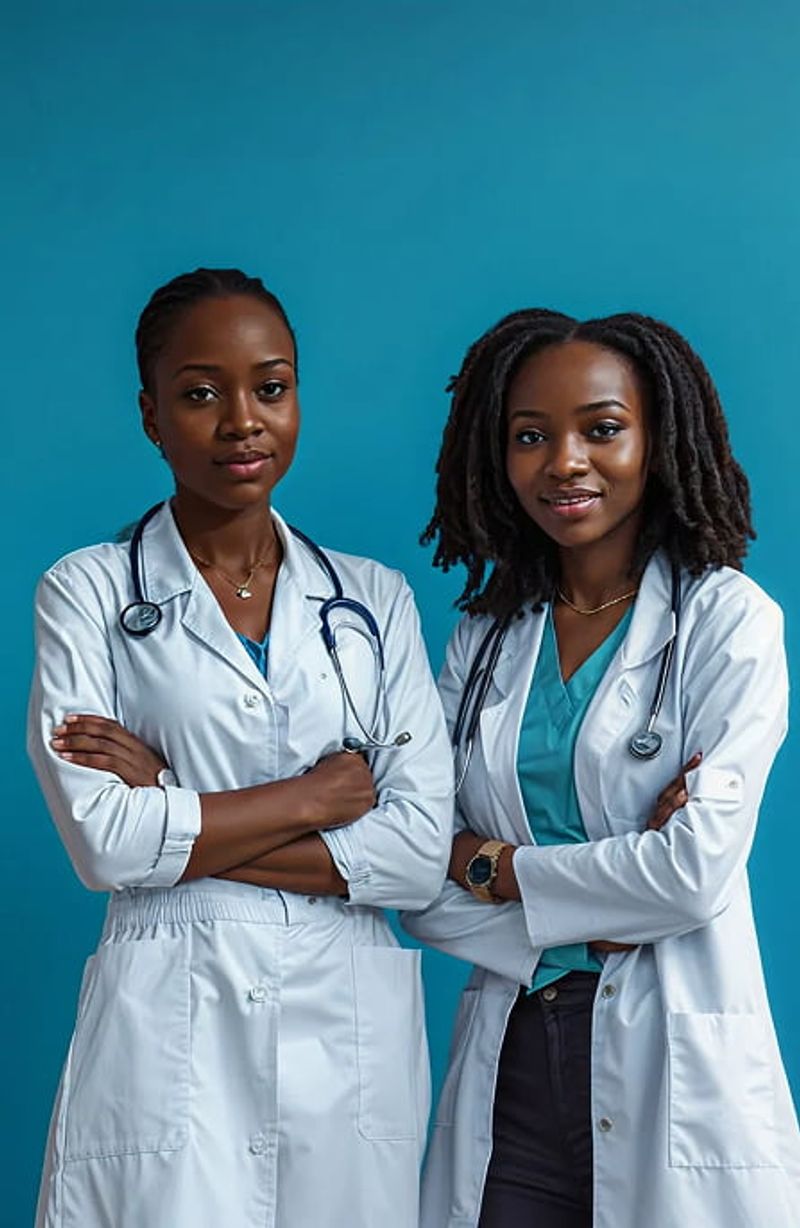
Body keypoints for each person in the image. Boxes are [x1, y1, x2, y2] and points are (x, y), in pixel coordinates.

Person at [28, 267, 453, 1228]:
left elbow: (418, 855)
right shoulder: (88, 592)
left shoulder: (374, 601)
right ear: (150, 415)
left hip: (342, 1040)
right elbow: (103, 844)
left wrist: (171, 801)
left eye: (271, 387)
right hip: (169, 1023)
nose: (242, 422)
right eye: (199, 393)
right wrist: (313, 799)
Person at [402, 309, 800, 1228]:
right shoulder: (484, 640)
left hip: (670, 1047)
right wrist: (581, 900)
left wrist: (495, 866)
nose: (564, 461)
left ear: (657, 437)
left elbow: (691, 873)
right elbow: (413, 871)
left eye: (602, 429)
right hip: (512, 1068)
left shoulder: (725, 622)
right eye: (530, 437)